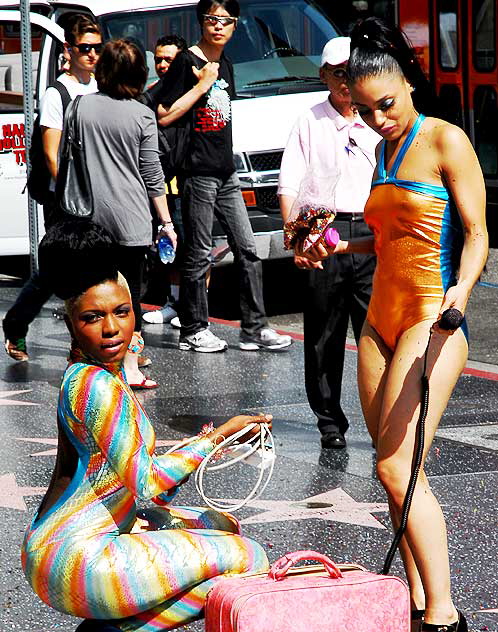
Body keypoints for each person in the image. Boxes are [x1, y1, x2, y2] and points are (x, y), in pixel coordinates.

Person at [302, 17, 488, 632]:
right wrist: (335, 248)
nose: (378, 120)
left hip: (430, 320)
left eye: (385, 105)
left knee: (395, 466)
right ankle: (413, 603)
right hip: (378, 321)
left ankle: (445, 617)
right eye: (364, 110)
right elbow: (388, 240)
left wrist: (459, 293)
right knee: (395, 470)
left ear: (407, 82)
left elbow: (478, 234)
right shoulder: (382, 151)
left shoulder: (445, 139)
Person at [22, 220, 271, 632]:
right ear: (70, 325)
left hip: (70, 543)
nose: (110, 329)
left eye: (121, 312)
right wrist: (218, 436)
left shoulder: (92, 371)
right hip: (72, 557)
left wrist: (208, 449)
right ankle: (112, 629)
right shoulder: (97, 385)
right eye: (92, 317)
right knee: (250, 558)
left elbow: (138, 479)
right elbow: (150, 484)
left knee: (221, 526)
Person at [152, 0, 292, 353]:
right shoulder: (187, 62)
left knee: (248, 249)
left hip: (226, 170)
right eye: (213, 19)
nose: (219, 26)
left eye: (226, 21)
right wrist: (201, 86)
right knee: (199, 252)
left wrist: (212, 78)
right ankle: (193, 329)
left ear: (234, 26)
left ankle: (254, 328)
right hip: (197, 172)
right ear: (202, 22)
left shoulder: (223, 63)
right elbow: (163, 114)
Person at [278, 36, 379, 449]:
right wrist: (296, 240)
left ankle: (381, 418)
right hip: (324, 230)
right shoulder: (309, 120)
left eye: (351, 72)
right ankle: (329, 422)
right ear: (323, 75)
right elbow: (289, 183)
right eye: (337, 73)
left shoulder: (377, 120)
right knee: (323, 334)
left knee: (378, 333)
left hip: (371, 233)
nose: (345, 81)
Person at [73, 39, 177, 389]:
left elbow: (69, 160)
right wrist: (167, 222)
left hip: (88, 219)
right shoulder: (142, 114)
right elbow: (152, 174)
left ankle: (86, 363)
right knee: (127, 301)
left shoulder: (79, 107)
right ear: (137, 75)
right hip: (132, 222)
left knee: (89, 294)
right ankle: (129, 368)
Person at [2, 14, 102, 362]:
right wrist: (69, 198)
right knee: (60, 271)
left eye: (97, 48)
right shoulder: (57, 92)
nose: (92, 55)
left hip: (97, 193)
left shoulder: (99, 86)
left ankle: (82, 341)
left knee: (82, 269)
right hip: (67, 198)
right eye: (85, 48)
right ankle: (17, 325)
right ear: (68, 50)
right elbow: (50, 150)